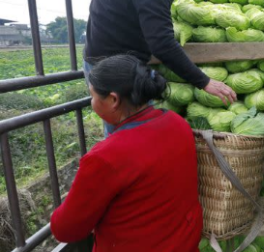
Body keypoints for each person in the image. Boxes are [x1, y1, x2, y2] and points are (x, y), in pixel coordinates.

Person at [84, 0, 236, 136]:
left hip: (99, 55)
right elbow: (162, 43)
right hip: (114, 70)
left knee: (125, 132)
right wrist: (204, 81)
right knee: (125, 136)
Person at [51, 54, 203, 251]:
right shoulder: (176, 122)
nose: (91, 102)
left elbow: (65, 230)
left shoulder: (106, 157)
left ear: (113, 99)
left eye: (93, 96)